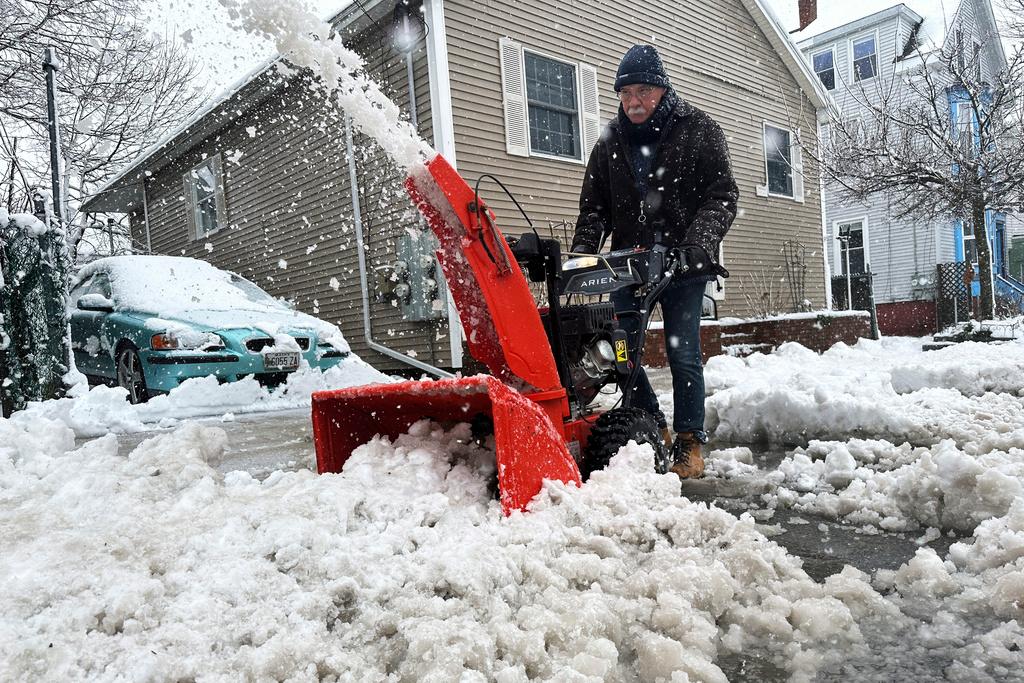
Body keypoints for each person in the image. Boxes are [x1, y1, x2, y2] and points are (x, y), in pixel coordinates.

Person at [571, 44, 738, 479]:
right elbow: (594, 209)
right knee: (621, 352)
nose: (634, 102)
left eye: (643, 90)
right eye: (625, 93)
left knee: (683, 354)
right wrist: (581, 258)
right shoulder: (610, 140)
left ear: (662, 89)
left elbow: (721, 197)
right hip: (630, 265)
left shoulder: (698, 129)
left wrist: (697, 245)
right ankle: (655, 426)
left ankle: (689, 442)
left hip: (684, 265)